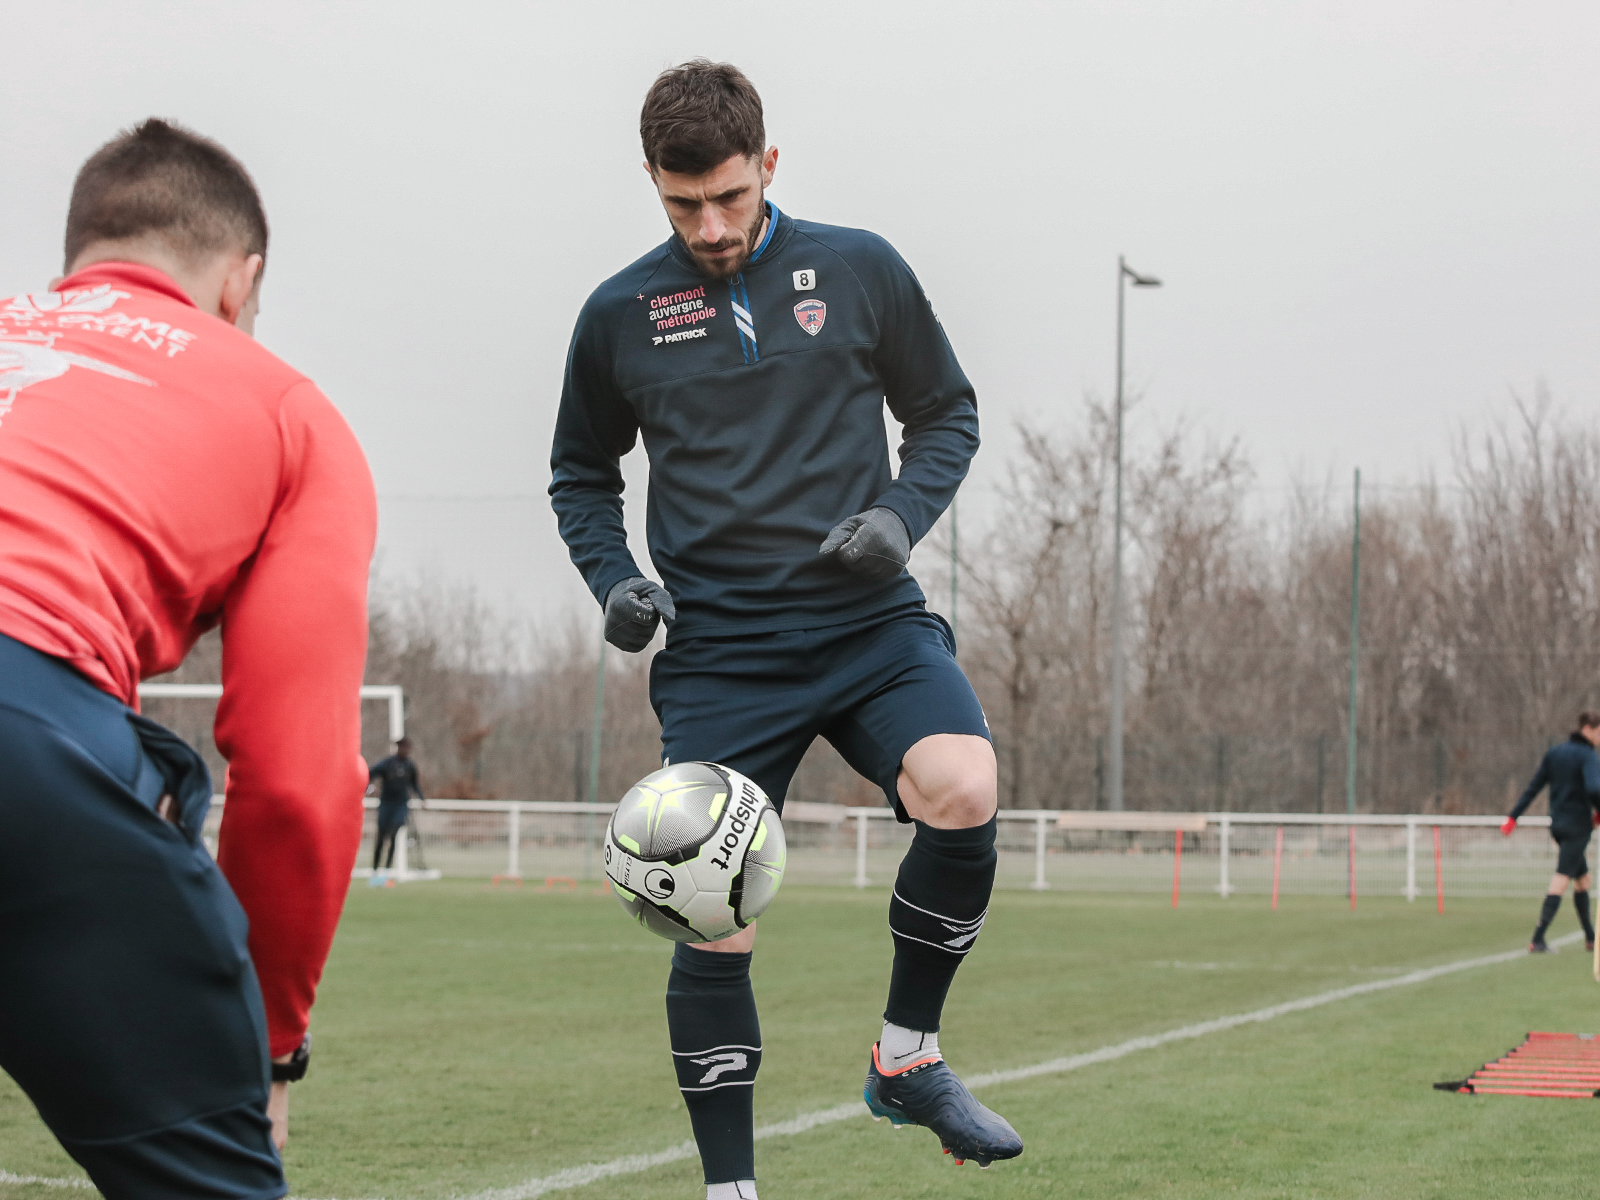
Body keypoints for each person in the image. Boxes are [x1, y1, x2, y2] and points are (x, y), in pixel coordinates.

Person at [550, 60, 1021, 1199]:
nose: (710, 227)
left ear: (768, 163)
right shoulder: (617, 314)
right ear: (652, 184)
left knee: (962, 786)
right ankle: (731, 1190)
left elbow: (945, 413)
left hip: (869, 627)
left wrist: (897, 520)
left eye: (728, 196)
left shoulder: (859, 269)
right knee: (712, 918)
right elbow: (580, 474)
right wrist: (615, 583)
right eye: (683, 204)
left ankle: (907, 1058)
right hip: (722, 657)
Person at [0, 119, 376, 1198]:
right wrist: (272, 1047)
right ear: (239, 281)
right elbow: (296, 784)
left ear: (78, 255)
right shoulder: (285, 409)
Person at [1502, 711, 1600, 953]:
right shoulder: (1588, 755)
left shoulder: (1554, 753)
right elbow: (1594, 788)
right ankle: (1537, 939)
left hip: (1557, 825)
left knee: (1583, 880)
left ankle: (1591, 939)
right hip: (1577, 827)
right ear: (1587, 729)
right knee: (1561, 878)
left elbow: (1533, 787)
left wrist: (1513, 817)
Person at [368, 737, 425, 871]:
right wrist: (368, 787)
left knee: (393, 833)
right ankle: (375, 869)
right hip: (386, 804)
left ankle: (387, 868)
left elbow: (415, 784)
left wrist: (422, 798)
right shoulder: (387, 763)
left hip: (400, 805)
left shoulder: (409, 766)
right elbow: (371, 774)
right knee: (381, 836)